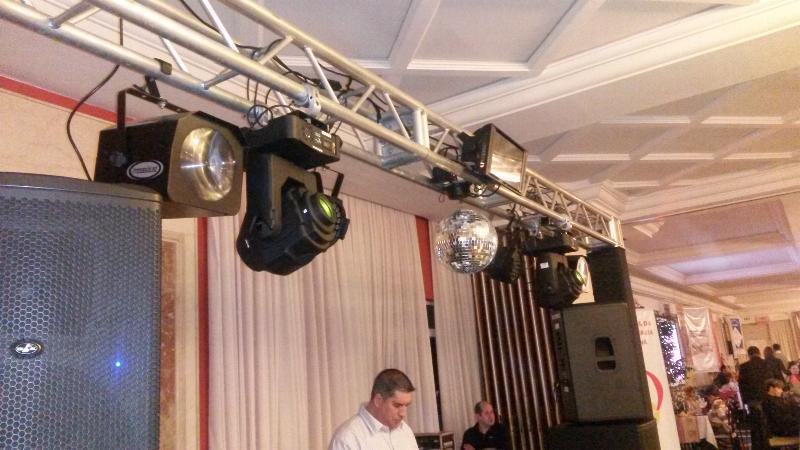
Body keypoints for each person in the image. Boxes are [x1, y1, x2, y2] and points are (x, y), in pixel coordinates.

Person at [328, 368, 418, 450]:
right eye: (397, 405)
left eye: (406, 405)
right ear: (378, 400)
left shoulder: (405, 431)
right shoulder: (347, 439)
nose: (403, 414)